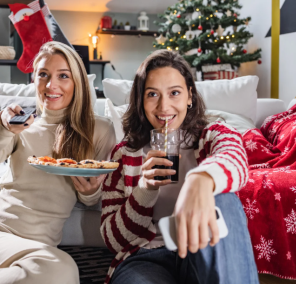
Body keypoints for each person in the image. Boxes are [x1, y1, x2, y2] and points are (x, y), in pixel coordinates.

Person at [0, 41, 116, 284]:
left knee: (60, 269)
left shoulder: (98, 129)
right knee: (62, 269)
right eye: (43, 75)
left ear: (78, 82)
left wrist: (91, 191)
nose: (51, 85)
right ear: (34, 80)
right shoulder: (21, 125)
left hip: (38, 251)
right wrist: (1, 125)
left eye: (63, 76)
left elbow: (93, 193)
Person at [100, 50, 258, 284]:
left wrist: (200, 180)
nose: (164, 106)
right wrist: (144, 189)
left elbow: (235, 159)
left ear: (189, 96)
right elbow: (113, 241)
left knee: (224, 200)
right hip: (146, 257)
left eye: (174, 93)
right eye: (153, 94)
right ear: (141, 100)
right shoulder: (124, 153)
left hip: (202, 247)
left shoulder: (212, 136)